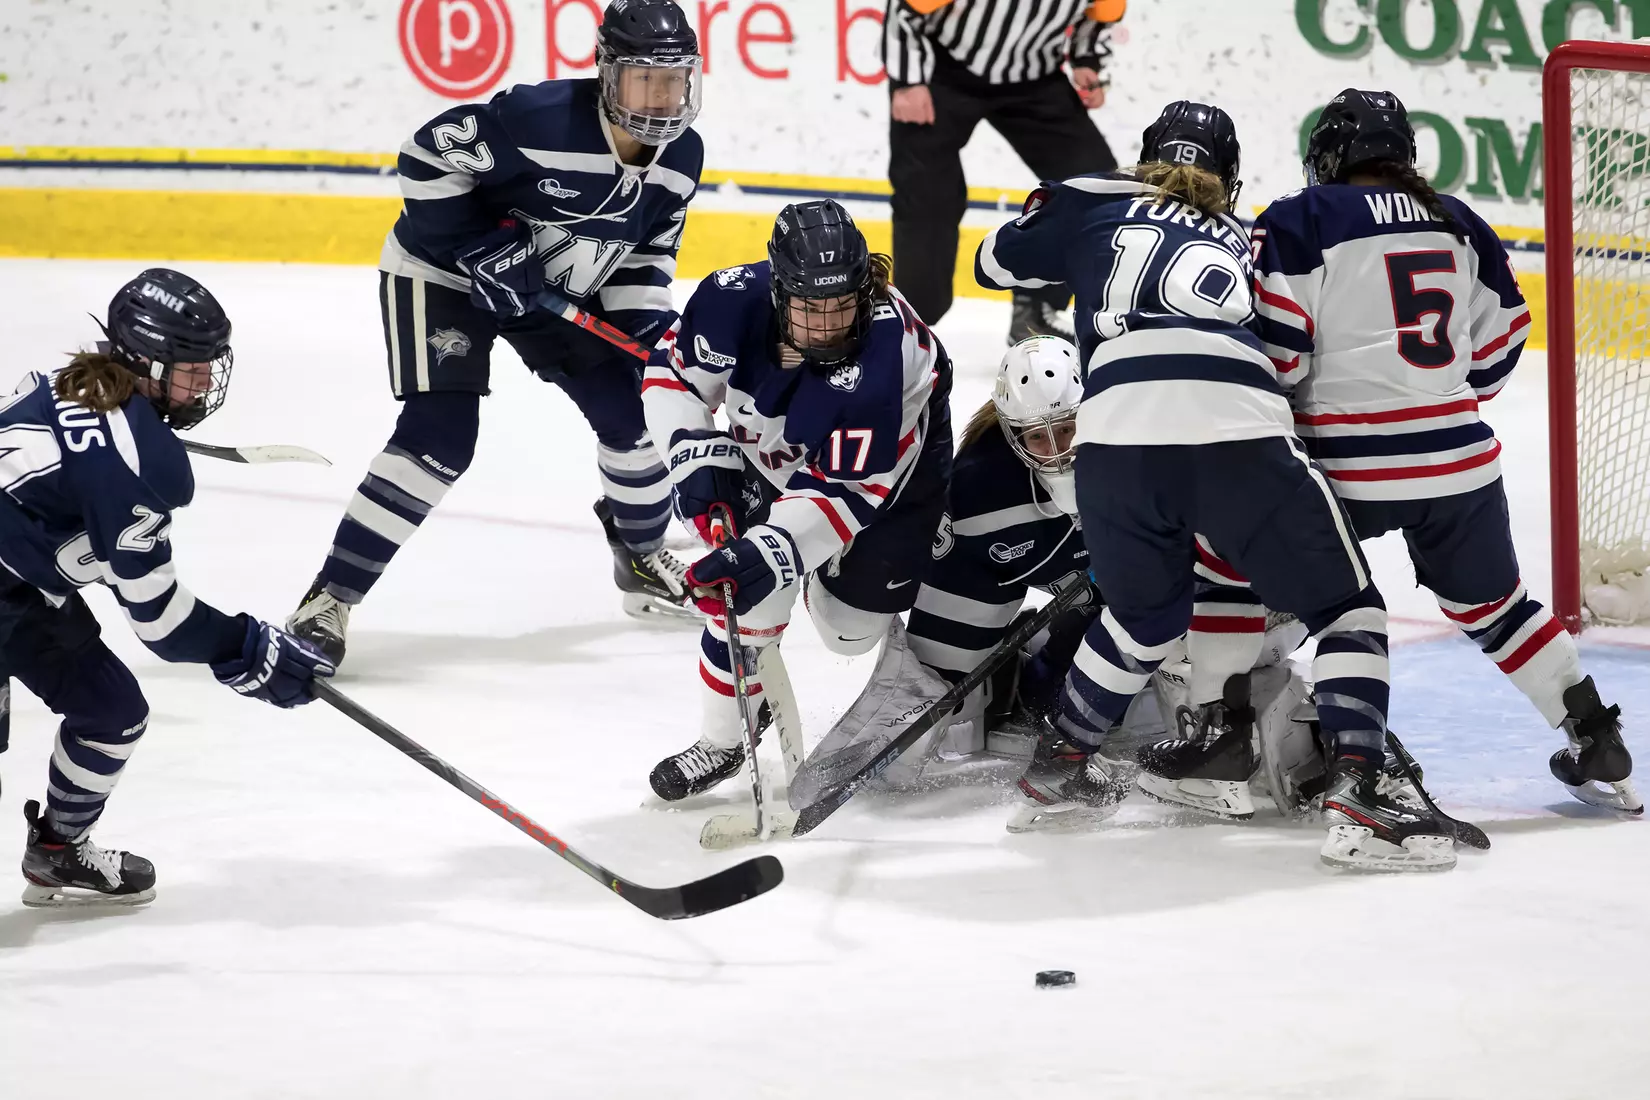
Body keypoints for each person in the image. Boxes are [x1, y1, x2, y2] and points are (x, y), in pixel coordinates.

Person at [975, 101, 1461, 871]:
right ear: (1229, 181)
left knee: (1143, 619)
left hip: (1110, 438)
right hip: (1234, 425)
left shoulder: (1099, 204)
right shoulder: (1251, 235)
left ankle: (1058, 768)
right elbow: (1290, 347)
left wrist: (1065, 203)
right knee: (1349, 607)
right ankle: (1360, 795)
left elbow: (994, 263)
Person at [1251, 88, 1640, 815]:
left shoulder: (1299, 218)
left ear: (1329, 156)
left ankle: (1246, 730)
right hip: (1458, 460)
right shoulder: (1458, 220)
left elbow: (1278, 353)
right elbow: (1501, 344)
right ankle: (1593, 731)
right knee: (1498, 608)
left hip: (1343, 464)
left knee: (1292, 595)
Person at [287, 0, 706, 665]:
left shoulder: (682, 158)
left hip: (551, 294)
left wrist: (654, 342)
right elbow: (424, 157)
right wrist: (479, 246)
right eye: (642, 78)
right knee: (440, 440)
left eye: (674, 78)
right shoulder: (539, 119)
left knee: (638, 414)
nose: (661, 96)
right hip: (444, 276)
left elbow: (647, 259)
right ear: (606, 74)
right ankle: (328, 600)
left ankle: (643, 557)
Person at [0, 270, 335, 907]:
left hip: (21, 592)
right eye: (191, 367)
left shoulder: (82, 380)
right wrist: (244, 646)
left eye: (210, 364)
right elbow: (163, 625)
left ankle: (57, 852)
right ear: (147, 363)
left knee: (111, 711)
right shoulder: (136, 462)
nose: (206, 380)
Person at [639, 200, 953, 800]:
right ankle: (727, 738)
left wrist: (776, 547)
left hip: (887, 471)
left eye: (842, 305)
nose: (828, 326)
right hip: (773, 453)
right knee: (743, 600)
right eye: (810, 307)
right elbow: (675, 380)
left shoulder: (890, 357)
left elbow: (849, 486)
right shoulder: (731, 300)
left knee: (848, 631)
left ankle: (908, 558)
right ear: (780, 292)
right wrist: (693, 455)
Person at [883, 0, 1124, 342]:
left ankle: (1035, 307)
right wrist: (908, 81)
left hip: (1034, 78)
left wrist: (1087, 61)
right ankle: (910, 322)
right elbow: (905, 11)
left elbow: (1100, 16)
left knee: (1094, 188)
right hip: (942, 69)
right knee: (927, 194)